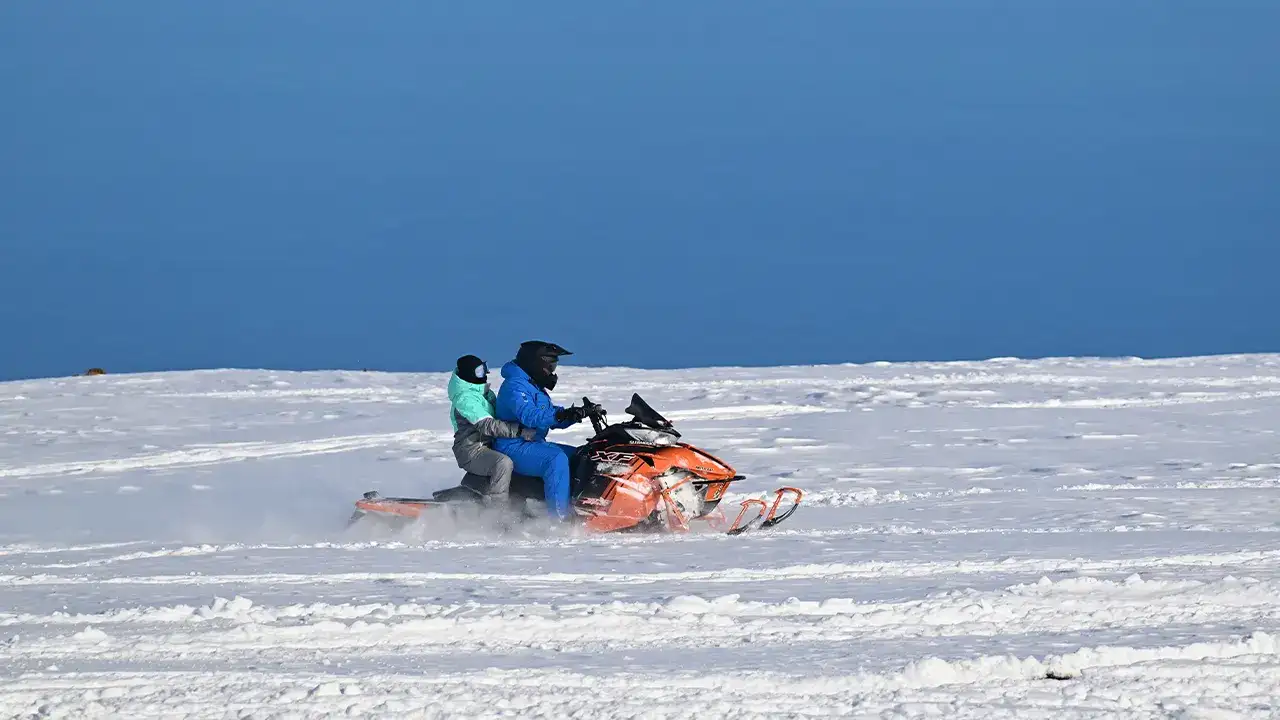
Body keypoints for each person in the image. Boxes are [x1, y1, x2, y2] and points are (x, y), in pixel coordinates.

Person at [493, 341, 589, 520]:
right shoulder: (515, 386)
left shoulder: (533, 385)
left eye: (554, 365)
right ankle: (558, 520)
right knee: (555, 459)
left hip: (532, 442)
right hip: (512, 445)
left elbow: (548, 415)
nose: (552, 371)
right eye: (550, 364)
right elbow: (529, 415)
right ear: (535, 363)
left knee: (583, 456)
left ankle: (584, 509)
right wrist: (559, 416)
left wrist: (573, 415)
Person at [448, 354, 536, 507]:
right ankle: (498, 510)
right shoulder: (465, 399)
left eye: (484, 369)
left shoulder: (485, 394)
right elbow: (487, 425)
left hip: (488, 446)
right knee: (503, 463)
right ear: (469, 374)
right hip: (471, 449)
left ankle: (522, 504)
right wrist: (519, 430)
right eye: (479, 371)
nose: (484, 374)